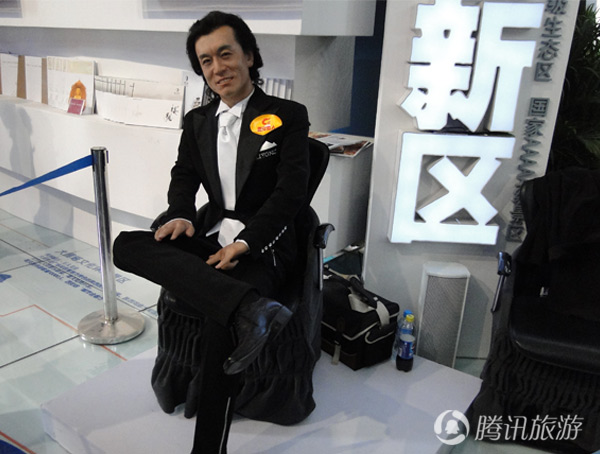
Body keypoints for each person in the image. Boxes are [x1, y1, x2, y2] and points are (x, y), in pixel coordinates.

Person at [112, 10, 310, 454]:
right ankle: (247, 307)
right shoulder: (197, 120)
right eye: (206, 61)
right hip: (211, 232)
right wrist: (181, 213)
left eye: (226, 54)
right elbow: (183, 175)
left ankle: (208, 448)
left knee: (221, 321)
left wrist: (245, 242)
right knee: (126, 245)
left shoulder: (287, 115)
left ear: (250, 56)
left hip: (264, 244)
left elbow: (290, 193)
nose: (218, 68)